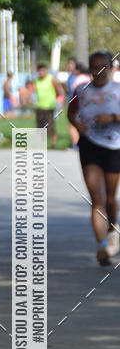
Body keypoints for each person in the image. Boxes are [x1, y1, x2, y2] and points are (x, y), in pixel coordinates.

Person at [68, 50, 120, 265]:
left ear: (111, 68)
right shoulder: (81, 90)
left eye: (104, 66)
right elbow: (71, 112)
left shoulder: (118, 90)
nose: (99, 71)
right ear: (89, 69)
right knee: (96, 199)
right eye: (95, 67)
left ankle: (112, 231)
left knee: (110, 198)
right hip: (89, 145)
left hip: (114, 145)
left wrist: (113, 117)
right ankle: (102, 247)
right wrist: (76, 124)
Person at [34, 63, 64, 148]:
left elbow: (59, 91)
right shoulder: (36, 81)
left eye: (43, 70)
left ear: (46, 71)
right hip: (40, 106)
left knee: (50, 126)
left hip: (49, 107)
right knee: (40, 127)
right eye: (39, 71)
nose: (41, 72)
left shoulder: (51, 79)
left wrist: (59, 101)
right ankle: (41, 144)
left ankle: (53, 143)